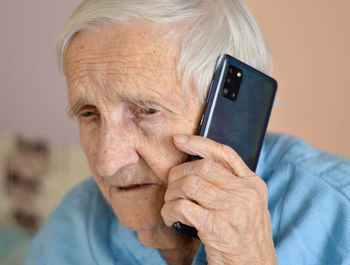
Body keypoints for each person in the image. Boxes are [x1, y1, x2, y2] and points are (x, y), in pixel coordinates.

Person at [25, 0, 350, 264]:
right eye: (89, 114)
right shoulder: (74, 223)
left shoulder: (340, 211)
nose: (108, 163)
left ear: (229, 116)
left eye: (146, 111)